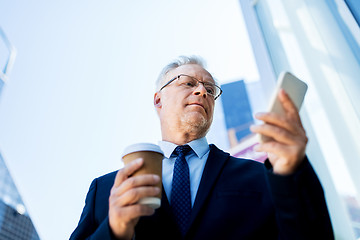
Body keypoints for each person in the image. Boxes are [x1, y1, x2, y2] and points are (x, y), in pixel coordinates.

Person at [70, 56, 334, 240]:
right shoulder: (104, 190)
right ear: (158, 99)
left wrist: (291, 175)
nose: (202, 92)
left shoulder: (260, 176)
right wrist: (114, 231)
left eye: (210, 88)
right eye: (188, 83)